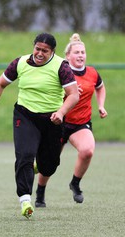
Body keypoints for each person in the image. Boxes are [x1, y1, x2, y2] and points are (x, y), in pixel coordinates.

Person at [0, 33, 79, 219]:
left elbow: (73, 94)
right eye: (37, 48)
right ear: (33, 46)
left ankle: (37, 165)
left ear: (52, 52)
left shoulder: (61, 67)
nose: (40, 53)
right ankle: (25, 199)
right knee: (24, 155)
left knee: (49, 166)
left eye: (45, 50)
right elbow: (0, 84)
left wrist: (61, 112)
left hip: (52, 119)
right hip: (25, 115)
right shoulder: (20, 62)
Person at [35, 33, 108, 207]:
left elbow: (100, 87)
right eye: (76, 52)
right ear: (68, 56)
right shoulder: (61, 70)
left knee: (87, 150)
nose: (81, 55)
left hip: (80, 124)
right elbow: (50, 92)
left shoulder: (92, 73)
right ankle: (40, 193)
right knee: (49, 163)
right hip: (58, 122)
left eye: (83, 52)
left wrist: (101, 105)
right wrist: (70, 93)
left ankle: (75, 183)